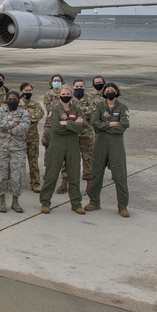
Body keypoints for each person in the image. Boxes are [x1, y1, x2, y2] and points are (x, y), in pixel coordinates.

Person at [40, 85, 88, 215]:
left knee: (74, 174)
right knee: (51, 174)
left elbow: (83, 126)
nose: (66, 96)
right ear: (59, 95)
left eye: (68, 94)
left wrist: (66, 123)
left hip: (73, 143)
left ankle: (76, 203)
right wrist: (73, 124)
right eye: (64, 94)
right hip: (57, 143)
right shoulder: (54, 109)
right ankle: (45, 202)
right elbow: (55, 127)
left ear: (71, 95)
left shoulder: (77, 109)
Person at [87, 82, 131, 217]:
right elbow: (94, 123)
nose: (110, 92)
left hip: (116, 143)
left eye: (113, 90)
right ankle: (94, 201)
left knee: (120, 174)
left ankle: (122, 206)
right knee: (96, 172)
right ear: (104, 93)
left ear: (117, 92)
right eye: (108, 91)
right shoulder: (99, 106)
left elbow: (124, 125)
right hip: (100, 142)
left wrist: (105, 127)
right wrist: (111, 124)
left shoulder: (122, 107)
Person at [0, 91, 30, 213]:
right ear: (6, 99)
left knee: (17, 175)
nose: (12, 101)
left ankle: (15, 200)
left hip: (18, 148)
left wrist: (7, 129)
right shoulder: (0, 111)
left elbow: (23, 128)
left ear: (18, 100)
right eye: (10, 99)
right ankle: (1, 199)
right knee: (1, 174)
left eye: (15, 99)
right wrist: (12, 125)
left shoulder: (24, 113)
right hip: (1, 148)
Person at [41, 74, 68, 193]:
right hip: (50, 125)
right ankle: (48, 178)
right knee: (49, 151)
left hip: (64, 125)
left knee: (65, 153)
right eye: (54, 81)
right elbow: (50, 108)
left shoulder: (66, 94)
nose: (56, 82)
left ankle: (64, 181)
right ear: (51, 83)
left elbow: (69, 108)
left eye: (58, 80)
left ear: (62, 82)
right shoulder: (48, 95)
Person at [18, 82, 44, 192]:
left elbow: (39, 115)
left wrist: (25, 119)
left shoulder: (36, 104)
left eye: (30, 91)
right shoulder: (17, 104)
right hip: (19, 138)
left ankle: (35, 183)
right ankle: (16, 183)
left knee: (33, 161)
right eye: (26, 91)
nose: (28, 92)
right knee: (18, 162)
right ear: (21, 92)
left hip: (32, 138)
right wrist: (29, 119)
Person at [72, 78, 96, 193]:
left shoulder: (90, 99)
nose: (79, 89)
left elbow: (93, 113)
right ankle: (66, 181)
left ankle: (89, 181)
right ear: (73, 87)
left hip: (86, 132)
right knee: (70, 158)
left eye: (81, 87)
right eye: (76, 87)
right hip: (72, 133)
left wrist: (76, 114)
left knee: (87, 157)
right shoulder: (68, 98)